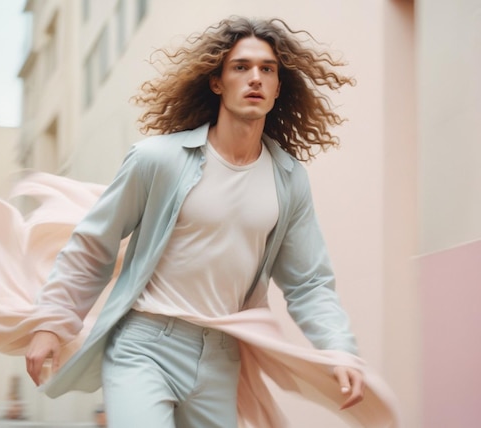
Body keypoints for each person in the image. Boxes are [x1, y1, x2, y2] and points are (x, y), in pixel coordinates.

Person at [23, 16, 367, 427]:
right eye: (241, 67)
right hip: (144, 347)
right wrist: (51, 323)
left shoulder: (288, 180)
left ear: (278, 86)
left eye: (267, 69)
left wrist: (338, 347)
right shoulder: (159, 160)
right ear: (217, 81)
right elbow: (94, 245)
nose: (255, 77)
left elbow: (308, 282)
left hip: (221, 358)